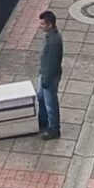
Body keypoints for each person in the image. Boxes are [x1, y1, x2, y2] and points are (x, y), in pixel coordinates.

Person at [34, 9, 64, 139]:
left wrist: (46, 79)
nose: (40, 26)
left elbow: (52, 63)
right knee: (41, 97)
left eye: (43, 24)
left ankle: (54, 128)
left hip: (49, 77)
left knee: (50, 102)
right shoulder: (50, 37)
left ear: (50, 25)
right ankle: (43, 121)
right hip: (44, 74)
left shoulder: (53, 41)